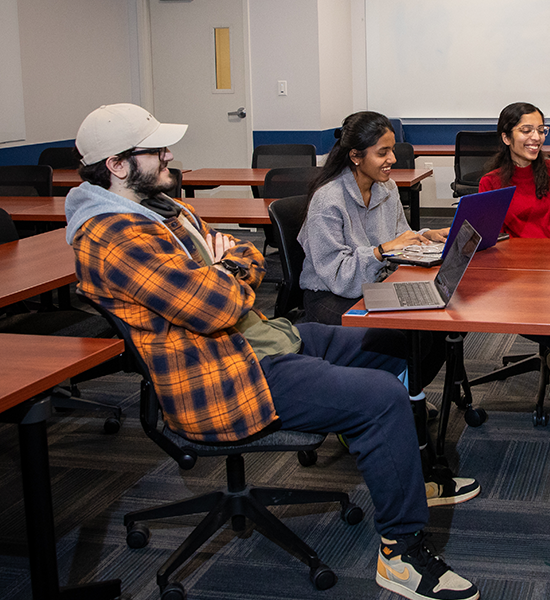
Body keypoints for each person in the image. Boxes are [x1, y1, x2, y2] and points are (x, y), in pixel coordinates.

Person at [64, 104, 478, 600]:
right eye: (156, 151)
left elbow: (243, 251)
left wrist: (227, 265)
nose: (170, 155)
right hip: (221, 376)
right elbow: (218, 305)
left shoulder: (166, 210)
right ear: (117, 164)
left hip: (259, 338)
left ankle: (406, 476)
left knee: (396, 346)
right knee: (379, 396)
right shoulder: (113, 237)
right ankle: (402, 554)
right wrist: (226, 272)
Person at [479, 101, 550, 410]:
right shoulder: (492, 182)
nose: (536, 137)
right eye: (526, 130)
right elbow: (490, 239)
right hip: (517, 277)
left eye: (541, 130)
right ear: (506, 137)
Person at [299, 111, 450, 326]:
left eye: (393, 150)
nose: (393, 159)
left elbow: (397, 238)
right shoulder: (328, 201)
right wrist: (381, 251)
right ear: (355, 156)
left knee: (440, 320)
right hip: (330, 295)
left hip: (373, 282)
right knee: (403, 332)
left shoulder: (386, 188)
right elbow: (339, 276)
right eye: (383, 153)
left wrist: (425, 235)